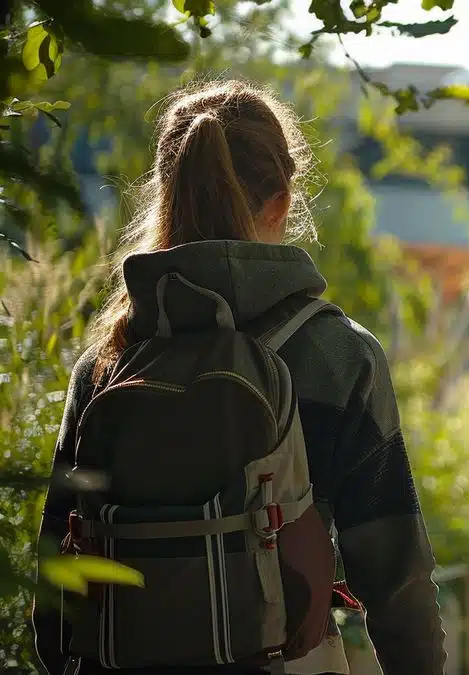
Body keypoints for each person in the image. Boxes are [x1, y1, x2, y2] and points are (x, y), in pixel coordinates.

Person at [31, 80, 446, 675]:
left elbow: (56, 582)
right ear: (281, 198)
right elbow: (394, 575)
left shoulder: (110, 361)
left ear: (165, 197)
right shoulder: (340, 355)